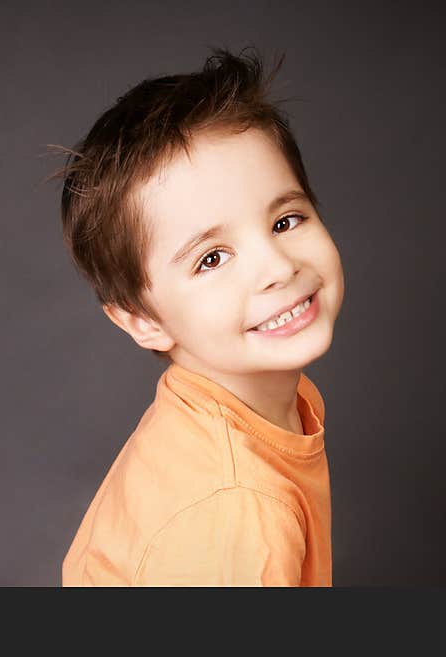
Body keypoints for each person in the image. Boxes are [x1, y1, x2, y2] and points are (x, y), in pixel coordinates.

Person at [46, 46, 345, 586]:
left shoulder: (240, 407)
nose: (277, 267)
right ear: (142, 319)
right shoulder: (239, 511)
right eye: (211, 258)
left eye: (285, 220)